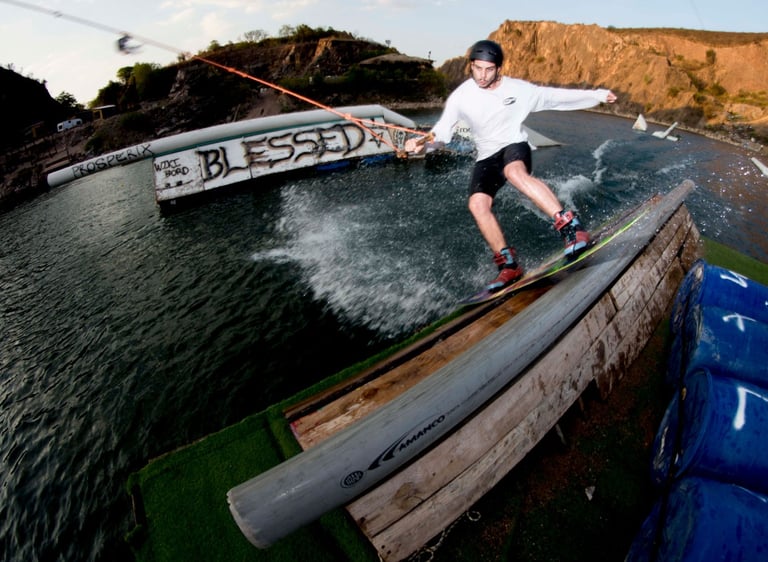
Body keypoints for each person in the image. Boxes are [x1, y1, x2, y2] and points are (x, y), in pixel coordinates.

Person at [405, 39, 617, 292]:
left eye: (488, 69)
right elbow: (441, 132)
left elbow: (554, 97)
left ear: (498, 68)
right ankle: (509, 265)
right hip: (486, 155)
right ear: (471, 66)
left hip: (514, 145)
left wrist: (597, 96)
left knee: (513, 172)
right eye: (477, 68)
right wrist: (423, 144)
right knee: (477, 204)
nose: (482, 76)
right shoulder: (461, 95)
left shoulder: (519, 90)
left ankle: (572, 228)